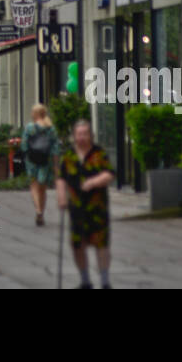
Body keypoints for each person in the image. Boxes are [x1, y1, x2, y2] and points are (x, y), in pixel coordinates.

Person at [59, 119, 115, 288]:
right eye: (79, 134)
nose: (82, 137)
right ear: (74, 136)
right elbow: (62, 178)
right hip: (76, 209)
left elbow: (109, 174)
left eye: (85, 133)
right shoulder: (69, 156)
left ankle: (105, 281)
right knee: (78, 245)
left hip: (97, 208)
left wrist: (93, 182)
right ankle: (85, 280)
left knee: (101, 244)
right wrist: (61, 196)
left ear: (91, 135)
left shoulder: (99, 154)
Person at [22, 104, 60, 226]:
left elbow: (24, 145)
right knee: (42, 188)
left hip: (32, 160)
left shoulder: (29, 128)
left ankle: (38, 210)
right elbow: (55, 148)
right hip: (46, 160)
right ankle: (41, 213)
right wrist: (55, 165)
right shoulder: (51, 128)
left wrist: (26, 153)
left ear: (35, 114)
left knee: (33, 185)